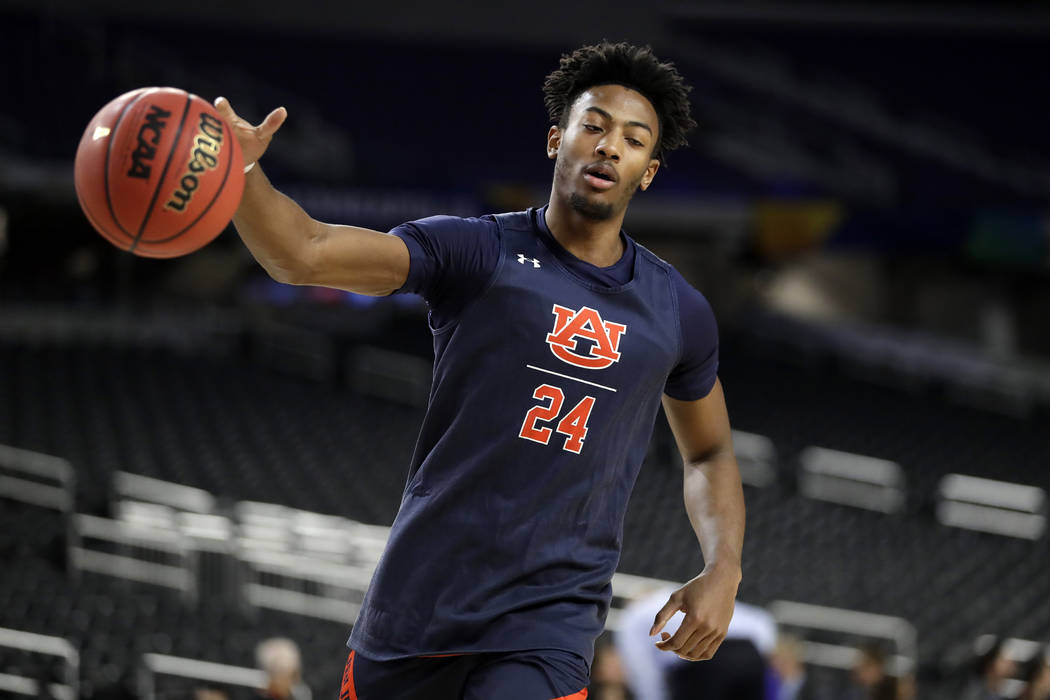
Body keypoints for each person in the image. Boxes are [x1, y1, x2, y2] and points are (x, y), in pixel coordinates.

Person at [216, 40, 745, 700]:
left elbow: (711, 450)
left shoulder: (677, 310)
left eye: (634, 140)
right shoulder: (476, 251)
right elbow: (304, 253)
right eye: (594, 126)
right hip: (414, 607)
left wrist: (723, 568)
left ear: (648, 172)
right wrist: (239, 174)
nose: (610, 147)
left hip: (545, 625)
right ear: (557, 141)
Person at [615, 586, 773, 700]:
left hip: (704, 662)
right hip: (750, 656)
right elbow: (763, 623)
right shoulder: (678, 595)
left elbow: (642, 668)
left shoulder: (632, 616)